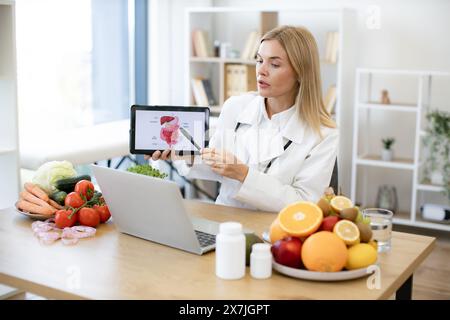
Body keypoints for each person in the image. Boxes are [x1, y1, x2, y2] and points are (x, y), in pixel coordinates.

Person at [147, 25, 338, 212]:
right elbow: (214, 165)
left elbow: (305, 205)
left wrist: (243, 174)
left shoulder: (324, 134)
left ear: (300, 72)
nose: (261, 71)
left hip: (277, 231)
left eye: (274, 64)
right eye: (259, 60)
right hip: (225, 222)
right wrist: (179, 153)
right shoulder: (236, 107)